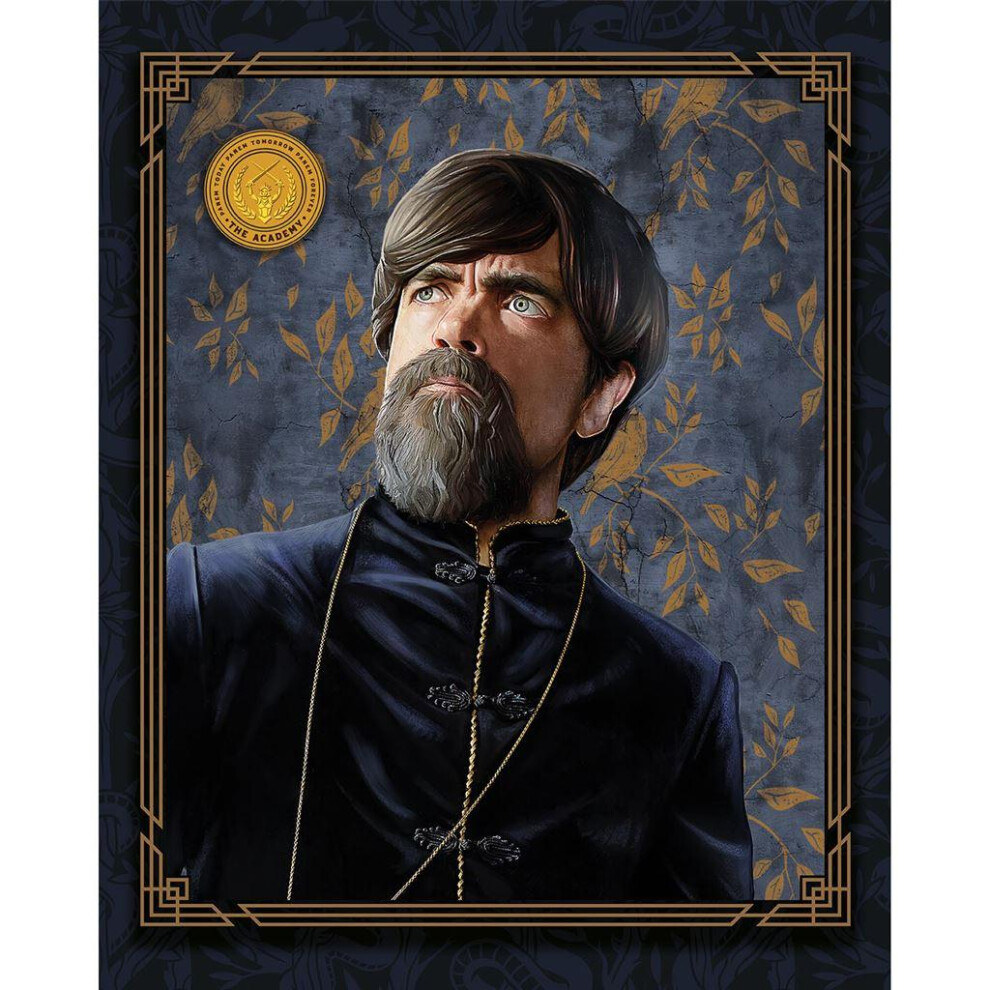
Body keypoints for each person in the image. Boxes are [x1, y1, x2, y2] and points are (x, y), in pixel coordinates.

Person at [165, 149, 753, 905]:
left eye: (521, 301)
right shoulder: (206, 601)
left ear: (602, 395)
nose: (455, 327)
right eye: (430, 290)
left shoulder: (676, 694)